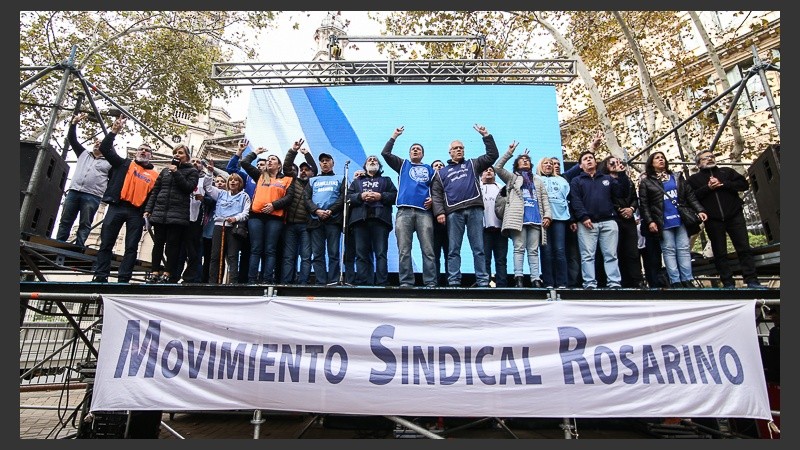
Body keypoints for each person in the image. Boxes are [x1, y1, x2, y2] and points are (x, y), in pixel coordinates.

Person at [430, 124, 499, 287]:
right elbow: (437, 194)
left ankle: (482, 280)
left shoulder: (473, 164)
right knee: (453, 249)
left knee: (478, 247)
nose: (459, 150)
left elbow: (492, 155)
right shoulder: (442, 172)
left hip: (475, 209)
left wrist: (486, 135)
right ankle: (454, 280)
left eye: (461, 147)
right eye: (456, 148)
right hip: (454, 212)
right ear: (450, 152)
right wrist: (439, 212)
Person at [92, 116, 159, 283]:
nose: (144, 151)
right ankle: (101, 276)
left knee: (131, 247)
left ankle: (124, 278)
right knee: (106, 242)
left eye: (147, 150)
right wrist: (114, 131)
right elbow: (106, 149)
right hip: (117, 207)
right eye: (141, 149)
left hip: (137, 212)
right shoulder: (124, 164)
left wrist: (148, 213)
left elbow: (155, 196)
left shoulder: (155, 175)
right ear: (136, 152)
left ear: (151, 155)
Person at [687, 150, 766, 289]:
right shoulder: (693, 180)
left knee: (743, 248)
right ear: (698, 164)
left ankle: (752, 280)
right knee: (720, 252)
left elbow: (743, 185)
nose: (710, 159)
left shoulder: (726, 172)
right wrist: (708, 188)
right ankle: (728, 283)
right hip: (713, 219)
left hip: (734, 214)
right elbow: (691, 198)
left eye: (712, 156)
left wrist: (723, 184)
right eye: (706, 158)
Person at [638, 151, 707, 288]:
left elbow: (690, 196)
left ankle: (687, 279)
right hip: (662, 221)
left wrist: (700, 210)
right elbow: (644, 205)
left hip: (680, 219)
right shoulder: (646, 182)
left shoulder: (676, 177)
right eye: (657, 158)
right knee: (669, 250)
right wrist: (650, 221)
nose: (661, 160)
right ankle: (675, 281)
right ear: (651, 163)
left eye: (662, 157)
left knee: (683, 248)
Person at [381, 126, 437, 287]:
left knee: (428, 250)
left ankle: (430, 282)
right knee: (404, 250)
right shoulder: (403, 165)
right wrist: (394, 136)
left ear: (423, 154)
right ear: (409, 153)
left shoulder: (429, 169)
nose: (415, 150)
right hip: (404, 212)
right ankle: (406, 282)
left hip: (424, 213)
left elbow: (437, 189)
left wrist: (433, 199)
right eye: (413, 149)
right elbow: (385, 154)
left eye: (418, 149)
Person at [569, 150, 630, 289]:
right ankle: (589, 283)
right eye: (585, 159)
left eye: (591, 158)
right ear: (580, 165)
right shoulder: (576, 181)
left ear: (596, 162)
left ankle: (614, 282)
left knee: (611, 255)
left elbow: (622, 193)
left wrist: (621, 174)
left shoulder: (607, 179)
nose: (589, 160)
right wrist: (583, 217)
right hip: (587, 224)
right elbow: (576, 201)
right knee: (587, 256)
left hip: (609, 221)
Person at [494, 143, 551, 288]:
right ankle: (518, 277)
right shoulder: (513, 178)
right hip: (518, 219)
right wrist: (509, 152)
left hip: (536, 219)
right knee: (518, 248)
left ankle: (536, 279)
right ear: (516, 164)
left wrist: (547, 215)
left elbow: (544, 198)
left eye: (527, 159)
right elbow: (497, 167)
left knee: (533, 250)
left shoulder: (537, 179)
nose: (525, 160)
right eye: (522, 159)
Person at [143, 143, 200, 283]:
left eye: (180, 153)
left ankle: (168, 273)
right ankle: (154, 272)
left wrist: (176, 172)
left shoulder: (192, 172)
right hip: (160, 212)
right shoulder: (164, 171)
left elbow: (188, 188)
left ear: (186, 156)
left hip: (177, 215)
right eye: (175, 153)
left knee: (172, 246)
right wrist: (148, 210)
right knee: (158, 244)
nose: (177, 155)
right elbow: (156, 191)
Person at [56, 113, 112, 248]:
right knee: (65, 220)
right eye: (96, 142)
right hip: (75, 191)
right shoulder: (83, 154)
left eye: (100, 143)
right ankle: (58, 245)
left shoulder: (110, 162)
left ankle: (79, 247)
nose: (97, 144)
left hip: (92, 195)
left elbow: (112, 181)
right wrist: (74, 123)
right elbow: (72, 139)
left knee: (85, 223)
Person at [241, 147, 292, 284]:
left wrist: (274, 205)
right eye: (268, 159)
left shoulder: (286, 179)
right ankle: (251, 281)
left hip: (275, 218)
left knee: (270, 250)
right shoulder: (261, 175)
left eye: (273, 159)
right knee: (256, 248)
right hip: (256, 217)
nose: (269, 161)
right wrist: (255, 153)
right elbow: (244, 163)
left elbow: (289, 197)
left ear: (279, 165)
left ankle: (267, 280)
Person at [347, 155, 397, 286]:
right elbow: (347, 197)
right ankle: (363, 282)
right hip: (360, 221)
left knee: (381, 254)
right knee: (361, 254)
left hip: (380, 221)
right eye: (370, 159)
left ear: (379, 166)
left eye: (375, 159)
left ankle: (382, 282)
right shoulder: (357, 181)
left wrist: (380, 196)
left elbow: (395, 196)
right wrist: (360, 196)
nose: (373, 160)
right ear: (365, 166)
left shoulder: (386, 180)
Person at [599, 155, 647, 289]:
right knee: (616, 251)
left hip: (629, 219)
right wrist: (620, 209)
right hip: (614, 218)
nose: (615, 164)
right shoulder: (603, 180)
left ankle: (637, 281)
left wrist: (631, 209)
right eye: (612, 163)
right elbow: (607, 199)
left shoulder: (627, 180)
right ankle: (621, 281)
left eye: (618, 162)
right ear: (606, 166)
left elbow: (633, 197)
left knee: (632, 252)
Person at [226, 140, 265, 283]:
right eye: (258, 164)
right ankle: (237, 279)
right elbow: (230, 169)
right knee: (240, 249)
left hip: (260, 217)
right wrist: (239, 152)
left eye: (263, 164)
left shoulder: (270, 180)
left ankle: (252, 279)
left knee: (254, 249)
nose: (260, 166)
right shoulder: (247, 177)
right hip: (243, 217)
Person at [281, 139, 318, 284]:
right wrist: (294, 150)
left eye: (306, 170)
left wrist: (307, 154)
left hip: (306, 226)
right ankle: (286, 282)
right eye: (301, 169)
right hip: (290, 224)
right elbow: (287, 166)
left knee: (306, 256)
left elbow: (315, 167)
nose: (303, 171)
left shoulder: (314, 183)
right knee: (289, 256)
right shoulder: (292, 180)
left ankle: (303, 283)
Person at [306, 152, 345, 285]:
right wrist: (316, 210)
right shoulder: (312, 180)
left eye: (327, 160)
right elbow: (306, 198)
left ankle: (333, 280)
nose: (324, 163)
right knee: (317, 254)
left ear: (333, 163)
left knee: (333, 253)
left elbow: (343, 197)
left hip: (333, 220)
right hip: (316, 220)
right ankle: (320, 281)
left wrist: (331, 210)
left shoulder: (341, 178)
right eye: (322, 161)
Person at [204, 173, 251, 284]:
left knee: (232, 256)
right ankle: (213, 282)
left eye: (236, 180)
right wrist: (209, 173)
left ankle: (233, 282)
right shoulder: (221, 193)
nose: (233, 182)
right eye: (231, 180)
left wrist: (235, 218)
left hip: (234, 228)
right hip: (219, 226)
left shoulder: (244, 196)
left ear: (240, 183)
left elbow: (246, 212)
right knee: (215, 255)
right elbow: (208, 188)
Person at [537, 156, 570, 289]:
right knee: (546, 250)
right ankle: (549, 282)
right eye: (546, 163)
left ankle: (562, 282)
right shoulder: (536, 179)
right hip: (542, 219)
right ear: (540, 166)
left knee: (560, 250)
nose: (549, 165)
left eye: (551, 163)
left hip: (560, 218)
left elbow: (568, 198)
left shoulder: (562, 180)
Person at [480, 167, 509, 287]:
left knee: (501, 259)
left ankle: (502, 285)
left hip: (500, 229)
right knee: (485, 259)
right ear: (481, 174)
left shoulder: (501, 187)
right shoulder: (477, 187)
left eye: (491, 170)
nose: (488, 171)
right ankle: (484, 284)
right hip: (483, 229)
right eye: (485, 170)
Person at [201, 174, 227, 282]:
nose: (220, 183)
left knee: (220, 258)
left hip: (221, 231)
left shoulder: (227, 196)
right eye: (217, 181)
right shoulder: (209, 196)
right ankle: (205, 280)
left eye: (222, 181)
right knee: (207, 258)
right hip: (207, 231)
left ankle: (217, 281)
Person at [431, 159, 449, 286]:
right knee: (434, 255)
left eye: (441, 165)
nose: (439, 167)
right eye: (436, 165)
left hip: (450, 223)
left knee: (450, 254)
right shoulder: (427, 184)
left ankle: (451, 281)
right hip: (433, 224)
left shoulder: (450, 181)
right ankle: (434, 281)